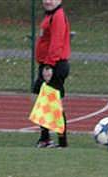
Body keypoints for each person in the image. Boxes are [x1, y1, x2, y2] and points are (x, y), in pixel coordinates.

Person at [33, 0, 71, 148]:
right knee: (44, 101)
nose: (48, 1)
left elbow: (57, 42)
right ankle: (45, 138)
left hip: (54, 65)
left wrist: (49, 66)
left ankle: (61, 142)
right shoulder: (50, 15)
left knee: (53, 103)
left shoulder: (58, 16)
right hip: (47, 64)